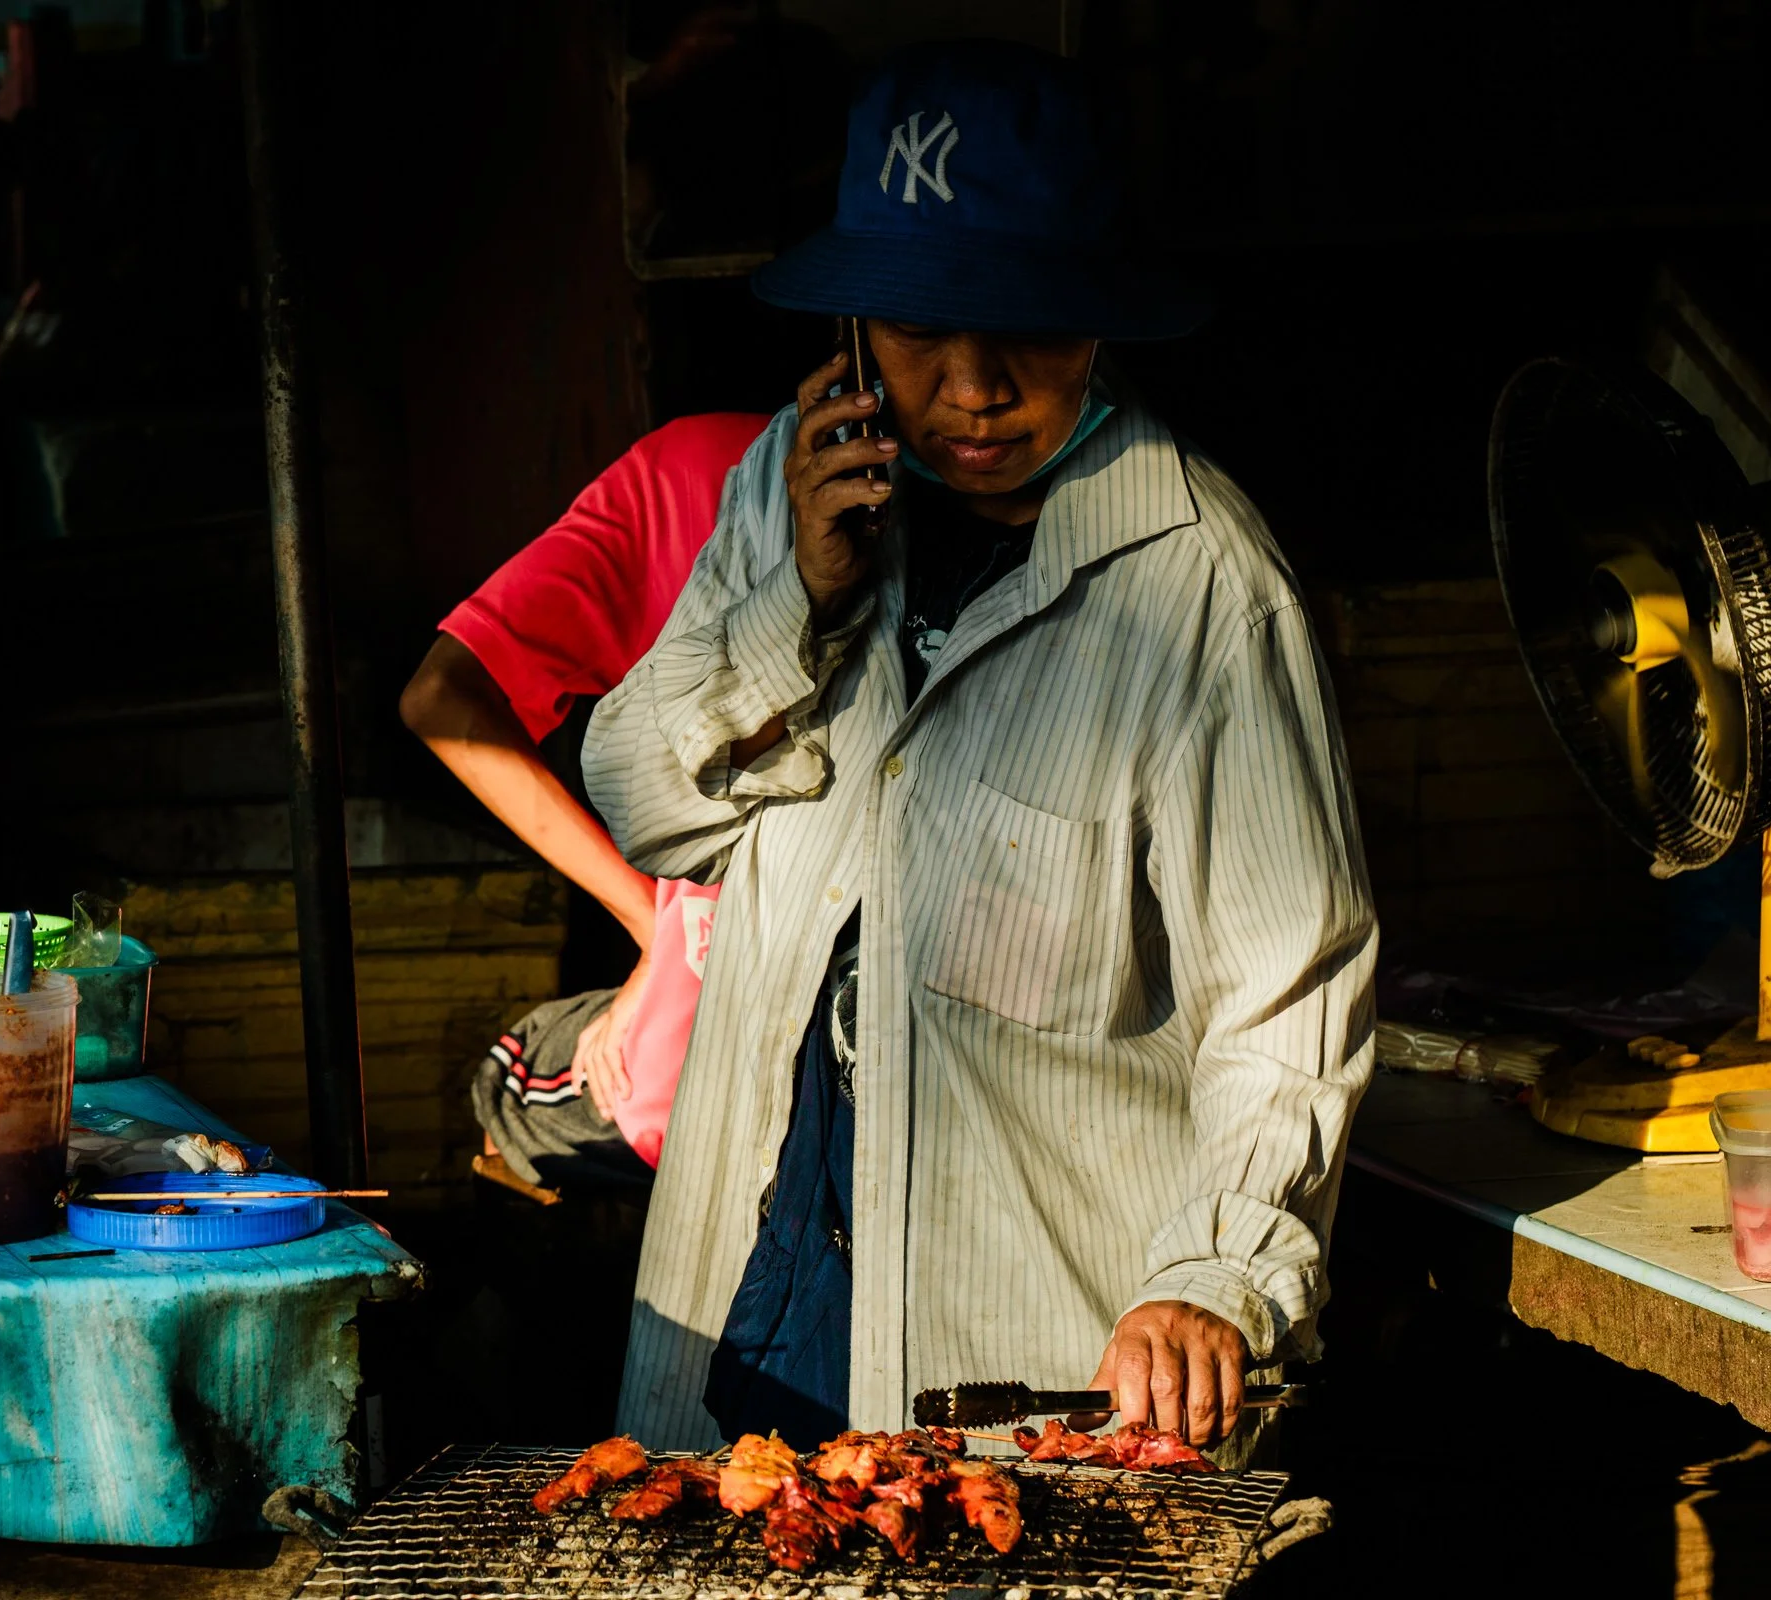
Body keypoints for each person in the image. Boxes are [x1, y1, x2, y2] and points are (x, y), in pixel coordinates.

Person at [582, 41, 1376, 1453]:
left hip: (1026, 1381)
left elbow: (1288, 994)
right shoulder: (789, 490)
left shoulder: (1197, 584)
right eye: (914, 333)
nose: (973, 387)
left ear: (1100, 321)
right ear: (846, 332)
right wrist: (797, 611)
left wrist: (1217, 1272)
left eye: (1027, 329)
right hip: (755, 1308)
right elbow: (643, 801)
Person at [401, 411, 767, 1193]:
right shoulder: (1013, 502)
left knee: (514, 1085)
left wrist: (653, 928)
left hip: (741, 991)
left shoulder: (693, 466)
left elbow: (439, 699)